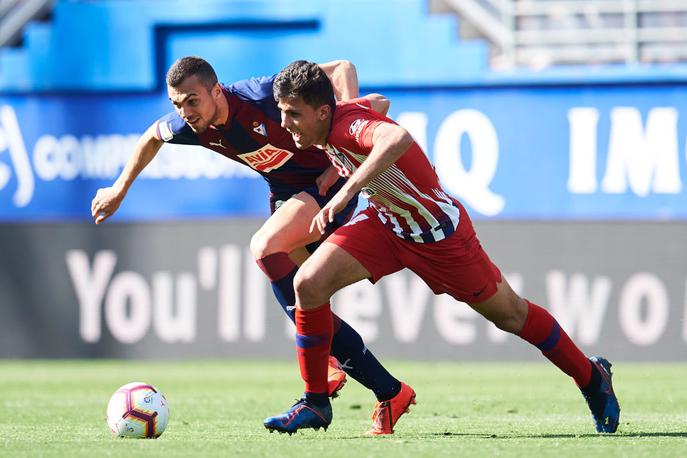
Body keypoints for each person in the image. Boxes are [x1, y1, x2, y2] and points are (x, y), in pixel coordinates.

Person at [263, 60, 620, 435]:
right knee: (308, 284)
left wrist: (346, 189)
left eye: (293, 114)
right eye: (282, 112)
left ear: (322, 111)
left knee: (511, 315)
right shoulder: (337, 120)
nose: (286, 123)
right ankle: (316, 402)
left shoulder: (346, 125)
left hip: (438, 235)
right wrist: (345, 149)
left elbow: (395, 139)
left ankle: (591, 376)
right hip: (386, 223)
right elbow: (379, 103)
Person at [90, 56, 412, 435]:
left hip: (329, 187)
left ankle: (321, 374)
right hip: (287, 196)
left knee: (264, 247)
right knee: (307, 296)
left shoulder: (260, 94)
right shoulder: (192, 125)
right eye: (177, 103)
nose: (185, 111)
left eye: (192, 100)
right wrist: (119, 188)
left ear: (216, 91)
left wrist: (339, 141)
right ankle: (389, 391)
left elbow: (343, 68)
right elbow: (151, 137)